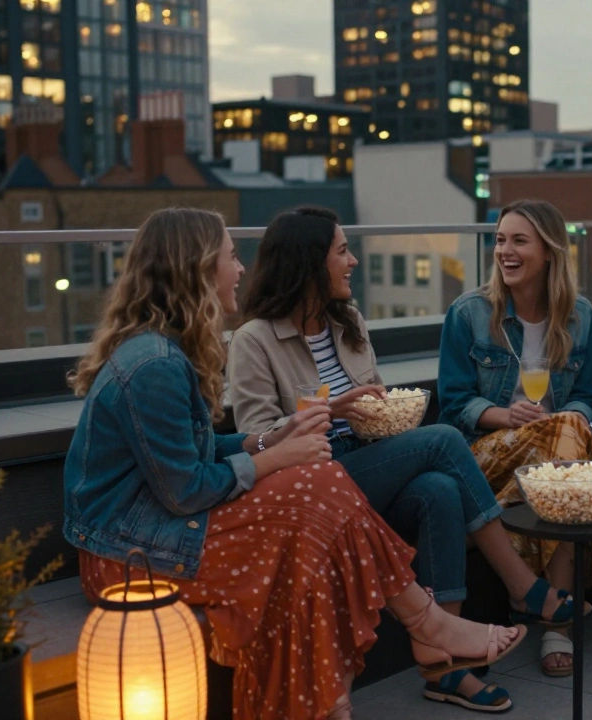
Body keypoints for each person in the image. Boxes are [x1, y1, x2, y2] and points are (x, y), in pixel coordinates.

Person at [62, 207, 525, 720]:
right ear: (195, 269)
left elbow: (196, 455)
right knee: (315, 497)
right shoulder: (155, 365)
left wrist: (269, 441)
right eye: (231, 258)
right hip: (128, 556)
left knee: (316, 516)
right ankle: (420, 628)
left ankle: (336, 695)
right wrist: (278, 455)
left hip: (154, 530)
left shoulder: (164, 352)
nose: (240, 270)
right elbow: (186, 491)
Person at [227, 206, 573, 713]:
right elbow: (255, 438)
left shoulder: (349, 322)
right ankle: (521, 585)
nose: (353, 262)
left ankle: (444, 664)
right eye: (342, 251)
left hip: (365, 460)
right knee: (442, 441)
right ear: (308, 262)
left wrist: (375, 412)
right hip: (314, 481)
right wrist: (327, 410)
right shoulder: (254, 339)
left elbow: (375, 407)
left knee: (440, 488)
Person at [437, 199, 592, 678]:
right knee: (568, 435)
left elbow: (590, 399)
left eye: (518, 241)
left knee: (567, 440)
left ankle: (557, 623)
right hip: (484, 458)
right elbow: (453, 406)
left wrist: (566, 420)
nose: (505, 250)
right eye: (501, 240)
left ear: (549, 252)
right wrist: (506, 415)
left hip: (548, 462)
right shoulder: (468, 313)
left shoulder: (579, 316)